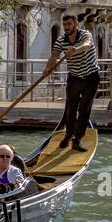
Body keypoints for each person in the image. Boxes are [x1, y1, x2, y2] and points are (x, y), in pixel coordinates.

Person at [42, 11, 99, 153]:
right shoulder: (61, 40)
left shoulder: (86, 35)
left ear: (75, 24)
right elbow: (54, 56)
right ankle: (68, 135)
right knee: (70, 109)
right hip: (74, 77)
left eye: (69, 24)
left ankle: (77, 140)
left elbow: (87, 45)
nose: (67, 27)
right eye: (65, 24)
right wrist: (48, 69)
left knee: (84, 109)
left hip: (91, 77)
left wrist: (75, 49)